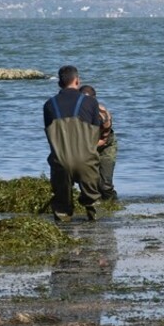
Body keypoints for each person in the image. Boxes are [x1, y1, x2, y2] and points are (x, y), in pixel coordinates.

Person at [43, 65, 103, 221]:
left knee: (61, 206)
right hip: (86, 162)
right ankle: (92, 211)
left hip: (61, 162)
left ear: (59, 84)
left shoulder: (49, 105)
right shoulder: (91, 103)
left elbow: (50, 136)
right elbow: (96, 134)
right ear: (77, 81)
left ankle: (63, 218)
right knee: (93, 200)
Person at [79, 84, 117, 200]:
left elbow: (103, 140)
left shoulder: (103, 114)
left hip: (105, 145)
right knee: (91, 184)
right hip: (86, 146)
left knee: (105, 185)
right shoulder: (75, 113)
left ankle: (113, 206)